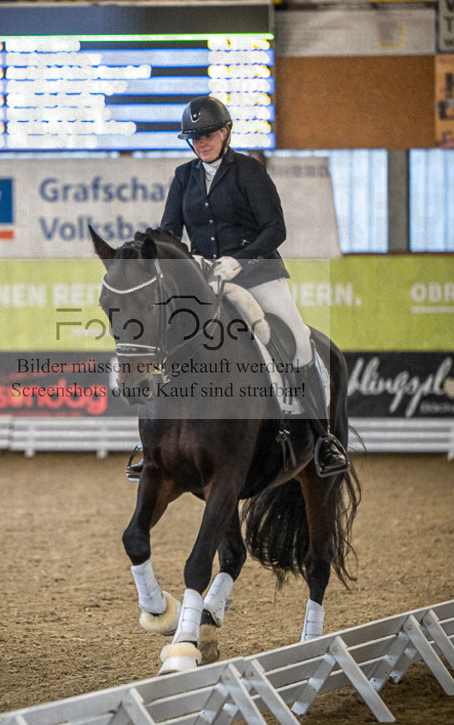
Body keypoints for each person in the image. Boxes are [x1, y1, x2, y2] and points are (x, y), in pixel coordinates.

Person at [125, 95, 350, 480]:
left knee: (298, 342)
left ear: (226, 132)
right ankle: (156, 445)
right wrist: (164, 252)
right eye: (194, 138)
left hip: (259, 276)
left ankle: (322, 437)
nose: (202, 143)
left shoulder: (249, 172)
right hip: (206, 281)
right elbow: (170, 231)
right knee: (169, 340)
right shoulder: (184, 176)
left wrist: (239, 260)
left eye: (208, 135)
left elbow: (275, 229)